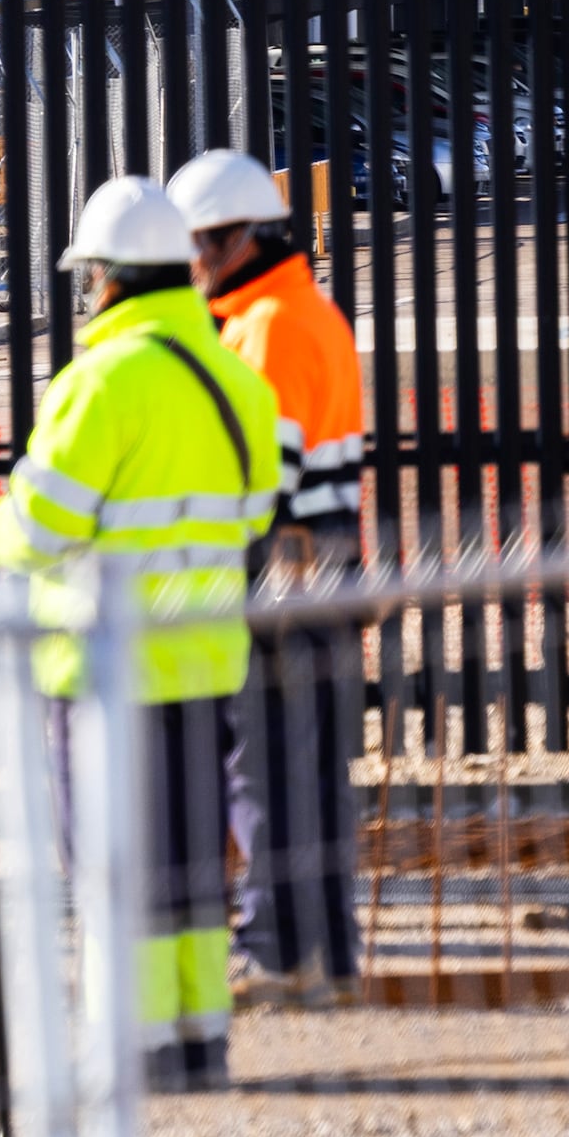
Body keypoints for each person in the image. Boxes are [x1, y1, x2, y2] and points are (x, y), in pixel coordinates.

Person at [0, 173, 281, 1092]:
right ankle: (199, 1037)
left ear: (106, 277)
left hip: (104, 669)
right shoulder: (235, 378)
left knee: (115, 867)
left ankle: (133, 1041)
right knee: (192, 866)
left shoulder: (99, 383)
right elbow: (256, 511)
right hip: (205, 662)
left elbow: (34, 530)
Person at [174, 144, 369, 991]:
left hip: (280, 577)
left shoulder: (264, 329)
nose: (188, 264)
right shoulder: (309, 310)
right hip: (327, 569)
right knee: (314, 775)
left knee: (265, 774)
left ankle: (279, 951)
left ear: (233, 239)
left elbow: (259, 482)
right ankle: (329, 949)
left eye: (194, 245)